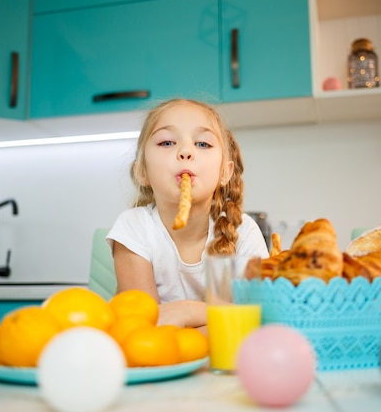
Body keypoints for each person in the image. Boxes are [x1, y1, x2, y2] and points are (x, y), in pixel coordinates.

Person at [106, 98, 269, 331]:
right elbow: (145, 329)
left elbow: (255, 321)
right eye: (166, 142)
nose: (185, 152)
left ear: (225, 172)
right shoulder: (133, 228)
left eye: (203, 144)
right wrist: (218, 317)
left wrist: (186, 311)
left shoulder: (244, 231)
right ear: (142, 171)